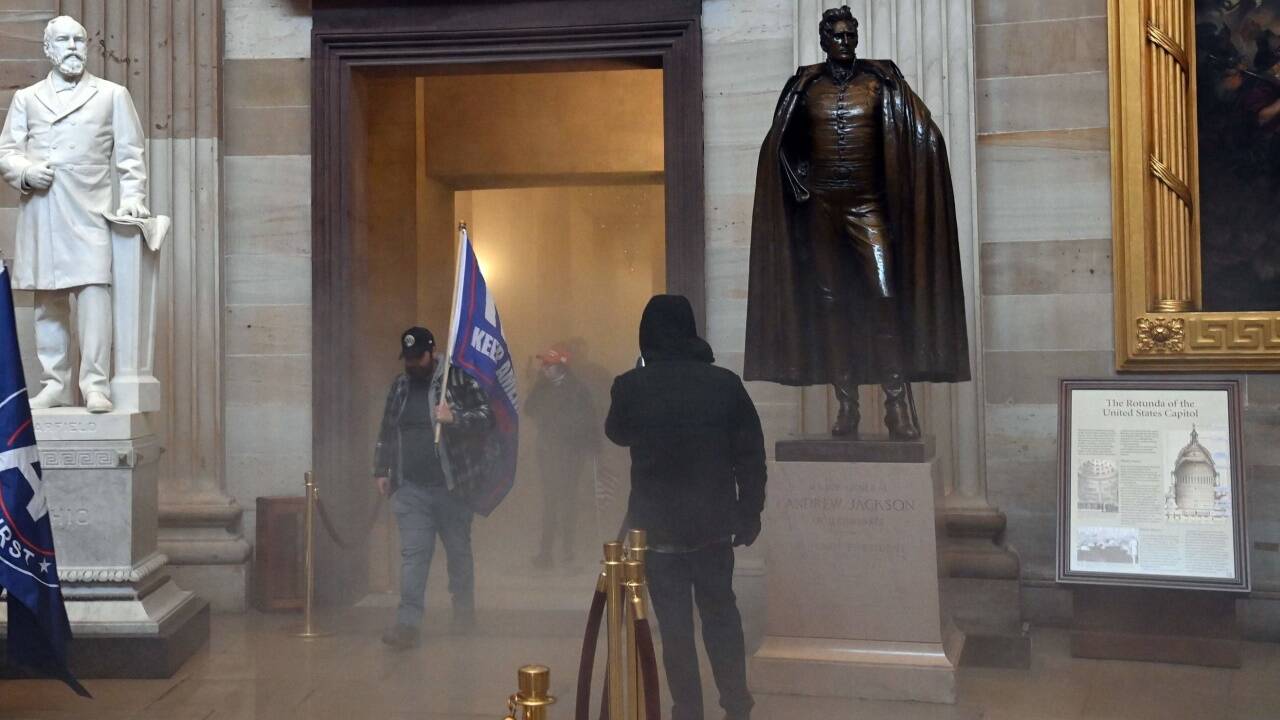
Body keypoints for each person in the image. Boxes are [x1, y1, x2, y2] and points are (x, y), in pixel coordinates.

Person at [745, 5, 970, 438]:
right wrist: (796, 180)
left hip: (868, 206)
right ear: (824, 40)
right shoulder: (804, 88)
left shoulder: (881, 84)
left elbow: (923, 133)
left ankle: (897, 402)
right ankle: (846, 405)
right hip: (821, 210)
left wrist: (922, 151)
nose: (846, 43)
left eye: (852, 35)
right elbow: (778, 146)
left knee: (884, 298)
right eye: (839, 37)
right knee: (829, 305)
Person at [605, 295, 767, 720]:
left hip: (656, 531)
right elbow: (750, 455)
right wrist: (750, 512)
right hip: (713, 524)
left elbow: (616, 434)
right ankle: (736, 704)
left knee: (674, 629)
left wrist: (640, 375)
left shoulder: (630, 385)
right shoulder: (724, 383)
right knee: (721, 617)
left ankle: (687, 709)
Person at [0, 15, 151, 413]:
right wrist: (26, 172)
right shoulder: (27, 98)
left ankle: (95, 384)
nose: (71, 47)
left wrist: (133, 196)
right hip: (42, 209)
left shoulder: (112, 95)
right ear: (48, 49)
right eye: (63, 40)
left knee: (93, 293)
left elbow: (131, 155)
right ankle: (55, 383)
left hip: (90, 209)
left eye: (78, 40)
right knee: (48, 298)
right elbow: (7, 152)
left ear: (87, 46)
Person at [373, 327, 494, 649]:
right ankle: (407, 624)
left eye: (418, 358)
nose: (412, 364)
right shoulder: (399, 386)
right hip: (411, 487)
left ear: (432, 352)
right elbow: (387, 428)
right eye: (408, 359)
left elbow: (486, 418)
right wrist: (381, 469)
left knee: (458, 554)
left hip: (452, 487)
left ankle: (464, 615)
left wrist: (455, 417)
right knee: (414, 555)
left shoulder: (457, 380)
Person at [524, 348, 597, 569]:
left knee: (568, 503)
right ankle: (546, 553)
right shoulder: (542, 386)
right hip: (548, 453)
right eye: (544, 365)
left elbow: (589, 419)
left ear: (561, 366)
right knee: (550, 502)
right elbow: (529, 409)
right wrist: (536, 386)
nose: (544, 368)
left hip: (571, 455)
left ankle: (567, 551)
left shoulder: (577, 389)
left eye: (549, 365)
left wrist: (591, 446)